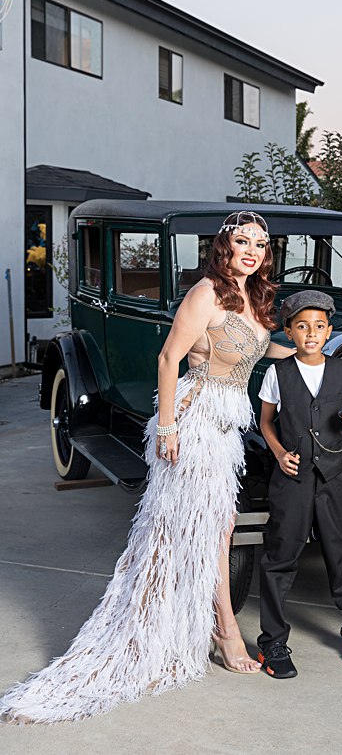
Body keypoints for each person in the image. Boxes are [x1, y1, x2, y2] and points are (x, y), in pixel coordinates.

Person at [1, 211, 291, 723]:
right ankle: (223, 629)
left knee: (210, 529)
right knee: (201, 532)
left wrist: (314, 348)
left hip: (227, 432)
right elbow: (167, 358)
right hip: (196, 424)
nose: (252, 250)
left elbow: (257, 346)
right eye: (242, 240)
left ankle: (204, 622)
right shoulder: (206, 292)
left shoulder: (253, 296)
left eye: (261, 244)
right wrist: (166, 428)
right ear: (223, 245)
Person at [255, 290, 342, 678]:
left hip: (334, 479)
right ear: (288, 331)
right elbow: (266, 422)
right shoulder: (278, 373)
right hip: (292, 479)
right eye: (302, 326)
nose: (311, 333)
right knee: (280, 557)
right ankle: (272, 642)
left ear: (329, 331)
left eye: (319, 326)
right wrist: (278, 453)